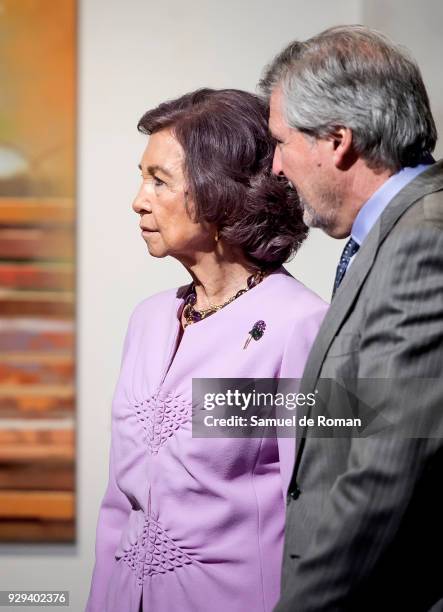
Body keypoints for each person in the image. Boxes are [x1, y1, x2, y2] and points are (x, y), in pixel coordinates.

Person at [85, 88, 327, 612]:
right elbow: (117, 507)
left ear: (220, 194)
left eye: (159, 180)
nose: (138, 199)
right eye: (142, 177)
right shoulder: (148, 320)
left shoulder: (300, 325)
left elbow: (320, 511)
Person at [259, 25, 443, 612]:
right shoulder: (387, 236)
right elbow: (365, 405)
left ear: (337, 140)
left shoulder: (424, 240)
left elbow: (388, 461)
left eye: (281, 143)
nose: (277, 169)